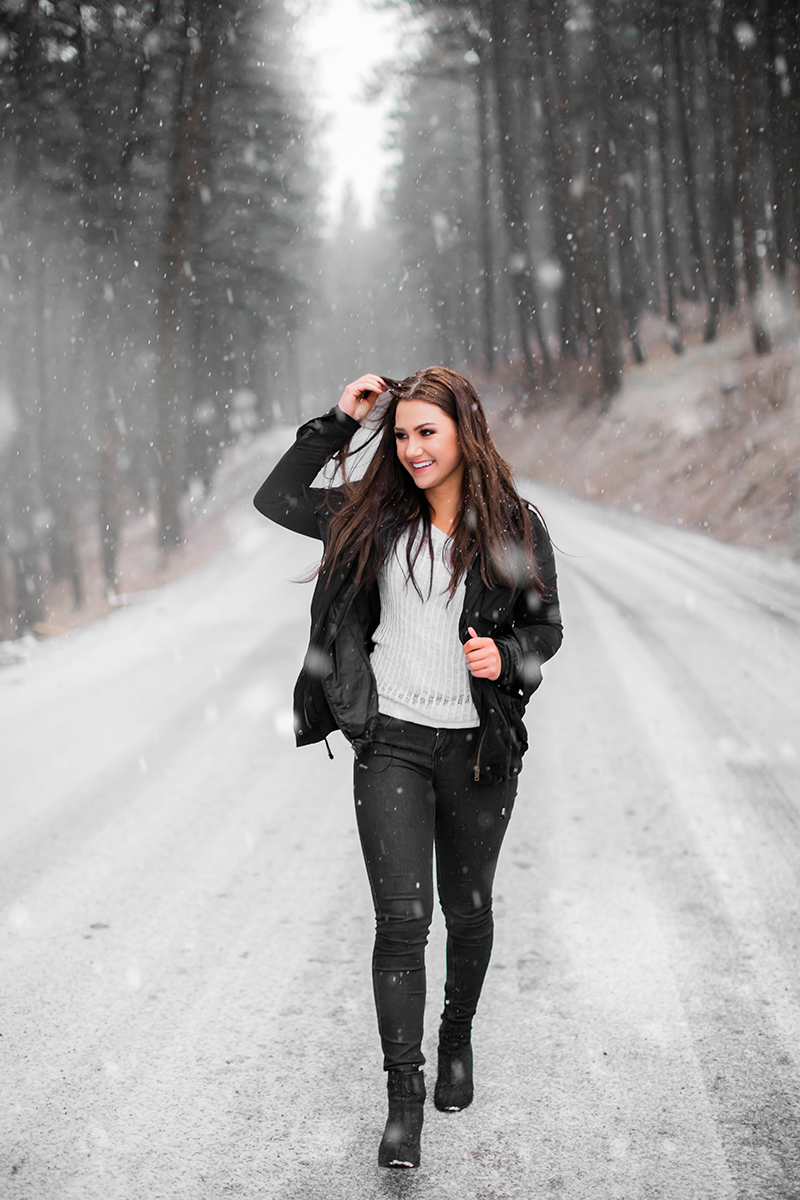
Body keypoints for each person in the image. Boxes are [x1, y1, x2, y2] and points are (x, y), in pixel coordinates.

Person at [253, 367, 562, 1169]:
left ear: (464, 431)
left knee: (468, 908)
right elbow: (277, 498)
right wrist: (337, 420)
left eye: (428, 431)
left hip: (479, 750)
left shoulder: (515, 527)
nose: (413, 448)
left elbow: (546, 632)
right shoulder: (371, 517)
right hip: (390, 739)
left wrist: (510, 654)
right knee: (401, 922)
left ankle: (455, 1034)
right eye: (401, 434)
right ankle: (403, 1102)